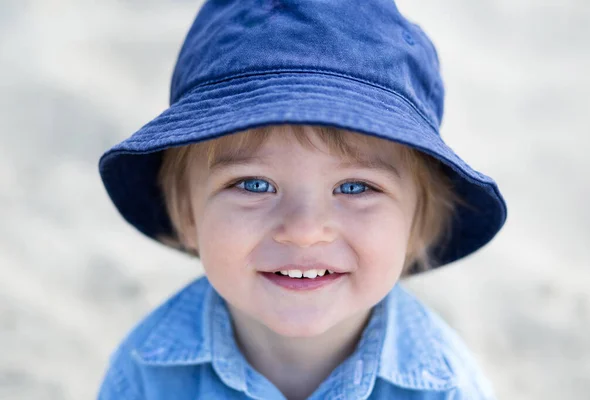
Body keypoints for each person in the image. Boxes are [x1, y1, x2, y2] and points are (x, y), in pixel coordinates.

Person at [97, 0, 507, 399]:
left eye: (355, 187)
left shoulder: (446, 387)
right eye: (254, 185)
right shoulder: (145, 373)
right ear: (186, 213)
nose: (304, 231)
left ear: (416, 226)